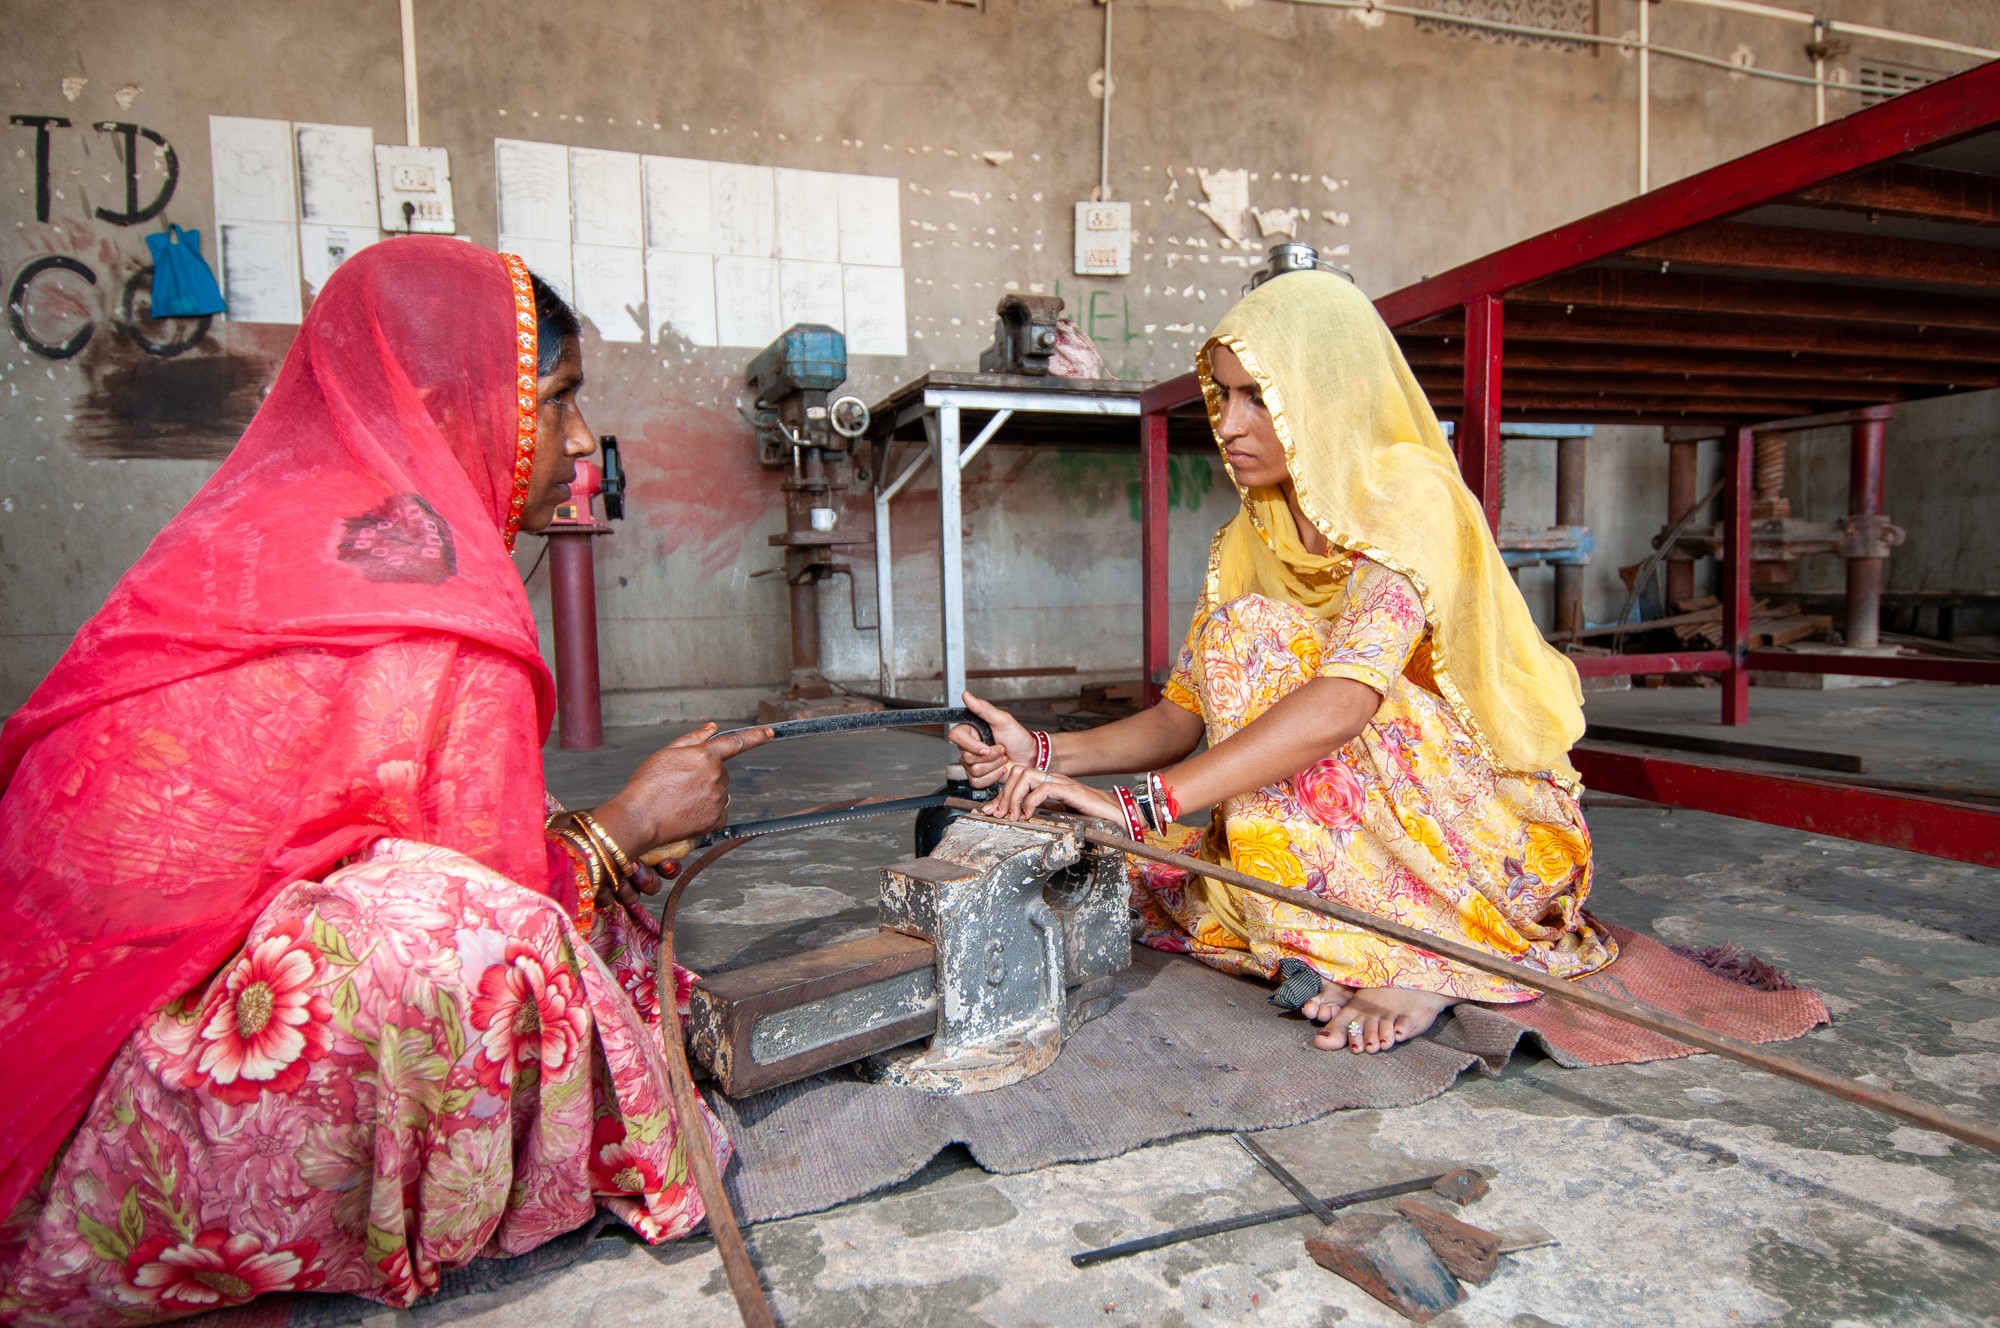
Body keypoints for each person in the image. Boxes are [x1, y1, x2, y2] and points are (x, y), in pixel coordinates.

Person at [0, 238, 769, 1323]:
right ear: (465, 401)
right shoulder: (428, 589)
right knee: (490, 944)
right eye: (556, 401)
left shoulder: (287, 523)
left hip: (40, 1019)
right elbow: (489, 908)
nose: (580, 439)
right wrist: (627, 822)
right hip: (99, 1117)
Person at [950, 269, 1616, 1058]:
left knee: (1252, 641)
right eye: (1223, 396)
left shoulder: (1410, 499)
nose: (1229, 423)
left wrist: (1144, 809)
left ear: (1325, 395)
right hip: (1367, 827)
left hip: (1486, 836)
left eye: (1258, 397)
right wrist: (1047, 753)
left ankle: (1417, 957)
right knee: (1233, 656)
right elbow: (1181, 716)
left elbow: (1347, 699)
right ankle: (1347, 941)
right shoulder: (1246, 540)